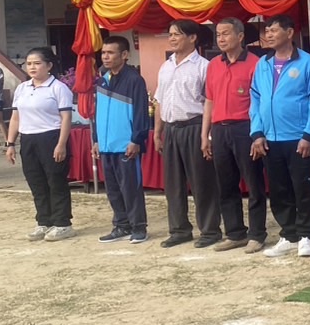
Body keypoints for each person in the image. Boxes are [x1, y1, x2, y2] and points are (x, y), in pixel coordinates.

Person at [250, 14, 310, 259]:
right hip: (270, 139)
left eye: (274, 30)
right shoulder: (263, 64)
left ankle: (305, 236)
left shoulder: (307, 62)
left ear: (289, 33)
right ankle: (288, 235)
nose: (269, 35)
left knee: (302, 188)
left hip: (298, 138)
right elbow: (255, 99)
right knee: (279, 190)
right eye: (267, 31)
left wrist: (309, 135)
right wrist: (257, 133)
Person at [201, 18, 268, 253]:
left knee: (253, 183)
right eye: (218, 34)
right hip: (219, 129)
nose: (221, 38)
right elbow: (209, 101)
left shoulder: (256, 63)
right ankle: (235, 232)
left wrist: (258, 133)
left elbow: (261, 101)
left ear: (240, 36)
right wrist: (205, 134)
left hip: (245, 128)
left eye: (226, 33)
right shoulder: (213, 65)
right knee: (226, 184)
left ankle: (257, 234)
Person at [154, 19, 221, 249]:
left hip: (195, 127)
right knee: (173, 185)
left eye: (177, 34)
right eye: (170, 34)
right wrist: (158, 132)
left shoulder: (204, 66)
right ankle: (179, 230)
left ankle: (210, 230)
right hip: (171, 129)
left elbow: (210, 103)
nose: (172, 38)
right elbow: (160, 100)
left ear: (192, 38)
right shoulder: (166, 66)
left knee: (202, 183)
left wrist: (206, 136)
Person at [4, 47, 75, 240]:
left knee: (56, 181)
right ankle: (44, 221)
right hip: (28, 139)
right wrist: (10, 143)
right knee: (36, 182)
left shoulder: (58, 88)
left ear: (49, 65)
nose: (32, 67)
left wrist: (61, 144)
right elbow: (15, 118)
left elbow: (66, 118)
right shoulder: (22, 88)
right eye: (29, 64)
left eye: (37, 63)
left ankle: (62, 223)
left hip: (51, 137)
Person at [92, 36, 151, 244]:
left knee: (131, 188)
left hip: (126, 145)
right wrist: (96, 140)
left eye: (110, 53)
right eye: (103, 53)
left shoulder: (134, 80)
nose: (105, 57)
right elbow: (98, 112)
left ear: (124, 55)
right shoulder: (102, 80)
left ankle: (139, 227)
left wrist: (136, 139)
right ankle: (121, 225)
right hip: (106, 145)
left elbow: (141, 113)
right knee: (113, 189)